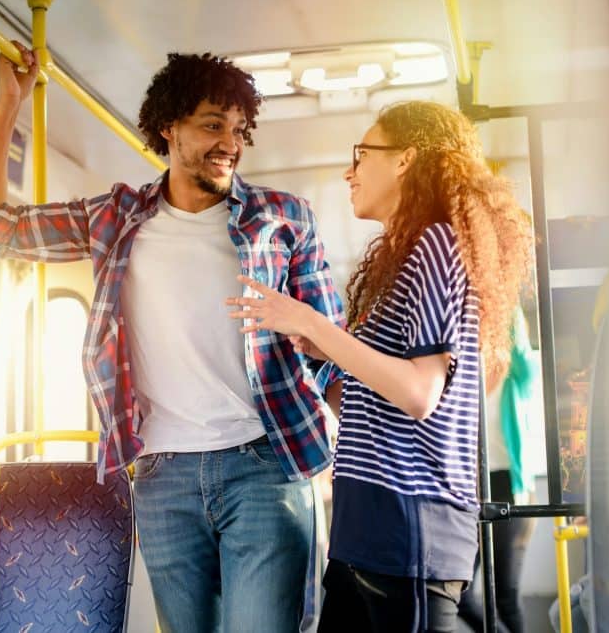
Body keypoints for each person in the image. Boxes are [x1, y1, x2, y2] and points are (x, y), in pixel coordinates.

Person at [0, 42, 345, 633]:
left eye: (240, 130)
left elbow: (331, 344)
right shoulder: (115, 219)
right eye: (213, 124)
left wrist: (298, 327)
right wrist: (9, 102)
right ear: (169, 128)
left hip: (264, 467)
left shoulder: (282, 217)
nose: (231, 144)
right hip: (164, 476)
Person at [226, 100, 532, 632]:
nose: (350, 170)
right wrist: (318, 352)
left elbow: (418, 394)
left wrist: (316, 326)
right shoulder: (402, 255)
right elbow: (372, 398)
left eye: (361, 154)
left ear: (405, 160)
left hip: (407, 529)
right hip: (364, 529)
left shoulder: (435, 244)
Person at [458, 306, 540, 633]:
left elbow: (525, 362)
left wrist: (505, 304)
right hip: (472, 486)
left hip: (509, 483)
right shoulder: (466, 381)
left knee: (506, 594)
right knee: (460, 592)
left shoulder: (516, 376)